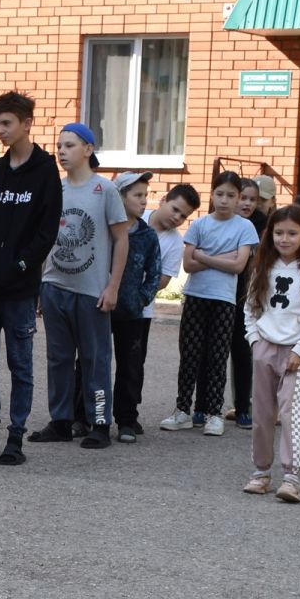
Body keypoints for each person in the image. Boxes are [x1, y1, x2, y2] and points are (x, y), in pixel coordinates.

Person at [0, 91, 61, 467]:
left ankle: (15, 438)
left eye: (7, 124)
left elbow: (46, 233)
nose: (1, 131)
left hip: (19, 290)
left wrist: (21, 266)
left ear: (26, 123)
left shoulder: (45, 172)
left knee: (20, 365)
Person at [31, 123, 127, 449]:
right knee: (58, 358)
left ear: (88, 149)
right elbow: (45, 240)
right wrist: (41, 284)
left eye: (69, 145)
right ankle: (60, 421)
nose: (61, 151)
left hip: (92, 292)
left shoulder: (105, 190)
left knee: (94, 358)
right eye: (59, 146)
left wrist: (112, 286)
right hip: (55, 287)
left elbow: (121, 239)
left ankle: (99, 421)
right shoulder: (54, 190)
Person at [241, 206, 300, 502]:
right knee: (263, 414)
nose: (284, 239)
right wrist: (254, 340)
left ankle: (291, 477)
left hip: (296, 353)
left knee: (292, 415)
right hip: (264, 348)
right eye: (279, 232)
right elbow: (251, 308)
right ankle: (261, 472)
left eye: (292, 233)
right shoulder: (263, 265)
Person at [163, 172, 257, 435]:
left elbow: (239, 266)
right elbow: (188, 264)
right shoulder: (199, 225)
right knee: (190, 356)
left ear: (238, 198)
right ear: (212, 194)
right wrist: (221, 258)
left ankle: (214, 413)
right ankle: (182, 410)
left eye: (230, 195)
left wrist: (206, 256)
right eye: (219, 194)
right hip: (195, 297)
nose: (224, 200)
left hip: (224, 301)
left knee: (218, 357)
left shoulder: (244, 228)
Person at [132, 182, 197, 441]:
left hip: (140, 307)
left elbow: (165, 279)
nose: (177, 218)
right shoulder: (136, 217)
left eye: (184, 216)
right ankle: (86, 412)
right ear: (162, 200)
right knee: (95, 359)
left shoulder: (174, 242)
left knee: (134, 363)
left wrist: (135, 292)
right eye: (175, 209)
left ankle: (129, 413)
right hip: (109, 298)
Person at [109, 170, 161, 444]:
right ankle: (86, 415)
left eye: (145, 195)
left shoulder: (147, 235)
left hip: (132, 313)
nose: (143, 201)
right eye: (137, 195)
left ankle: (127, 419)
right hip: (101, 308)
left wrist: (142, 298)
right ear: (120, 197)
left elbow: (154, 273)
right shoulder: (106, 229)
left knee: (130, 366)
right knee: (91, 363)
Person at [228, 177, 269, 428]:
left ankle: (244, 407)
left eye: (252, 200)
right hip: (223, 293)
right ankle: (204, 407)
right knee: (215, 353)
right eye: (242, 198)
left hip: (247, 295)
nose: (247, 203)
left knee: (243, 352)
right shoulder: (221, 221)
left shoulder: (262, 224)